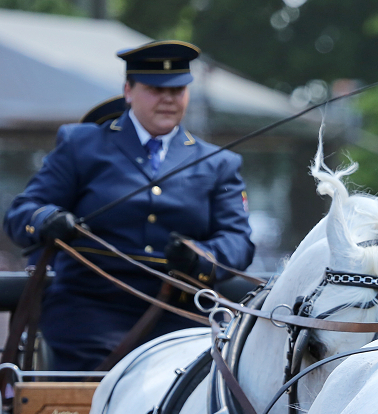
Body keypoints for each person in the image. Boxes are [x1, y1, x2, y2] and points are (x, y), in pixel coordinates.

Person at [3, 40, 254, 371]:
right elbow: (22, 212)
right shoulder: (81, 144)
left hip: (180, 315)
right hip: (89, 315)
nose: (168, 98)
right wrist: (47, 218)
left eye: (178, 90)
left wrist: (201, 256)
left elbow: (238, 240)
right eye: (155, 88)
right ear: (128, 90)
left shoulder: (218, 162)